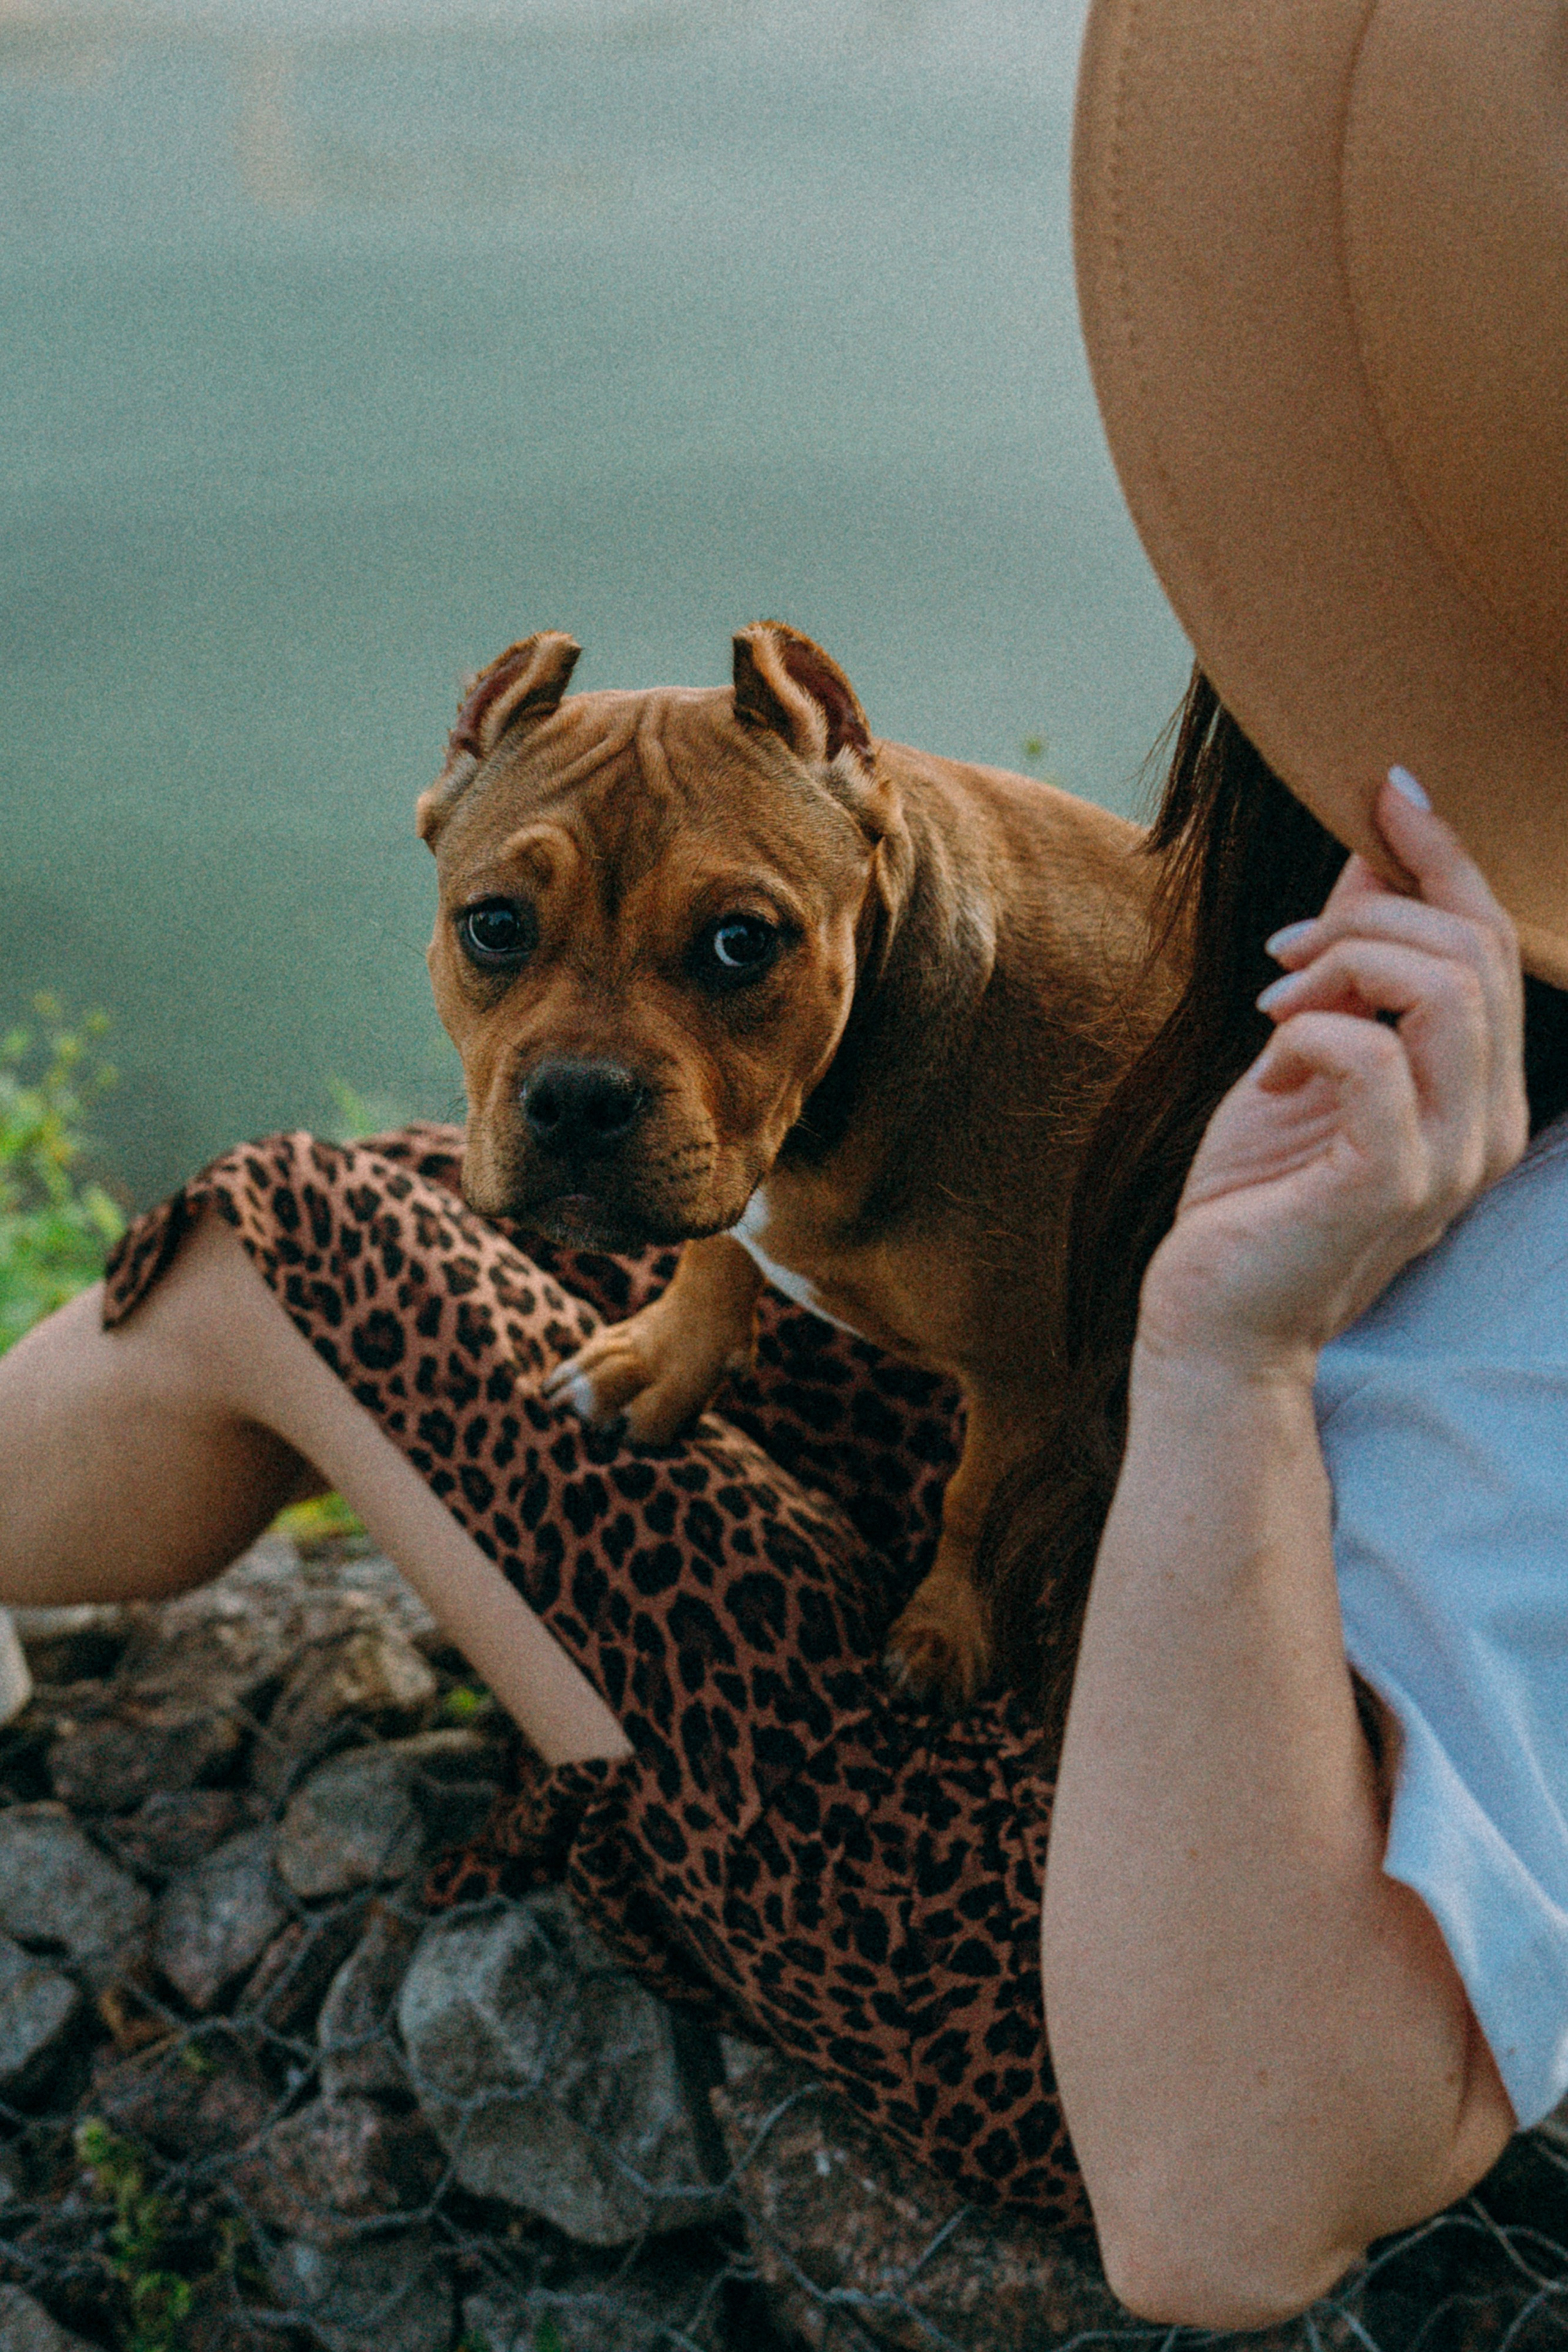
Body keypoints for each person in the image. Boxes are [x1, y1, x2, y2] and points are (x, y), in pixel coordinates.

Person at [1, 0, 1565, 2328]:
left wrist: (1221, 1356)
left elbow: (1225, 2193)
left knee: (283, 1235)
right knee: (456, 1190)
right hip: (1161, 1624)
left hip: (1048, 1937)